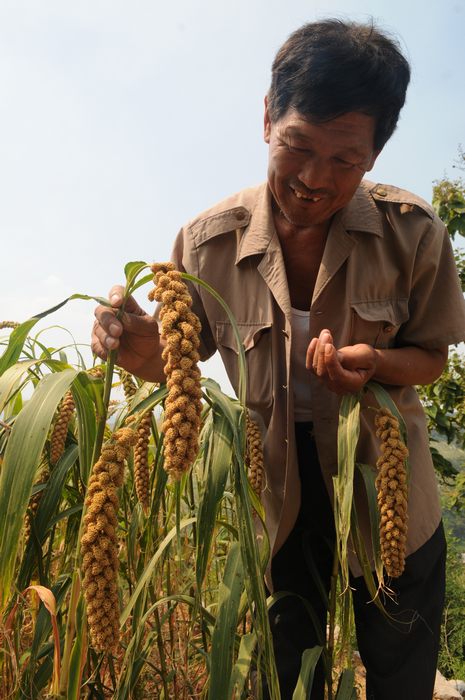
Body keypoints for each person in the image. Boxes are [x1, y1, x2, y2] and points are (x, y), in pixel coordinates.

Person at [92, 19, 465, 700]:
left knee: (398, 665)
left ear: (375, 154)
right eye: (297, 147)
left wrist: (374, 366)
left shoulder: (412, 234)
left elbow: (431, 357)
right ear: (267, 118)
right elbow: (175, 366)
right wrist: (136, 343)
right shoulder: (206, 243)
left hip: (383, 481)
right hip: (277, 488)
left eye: (344, 160)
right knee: (285, 667)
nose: (314, 180)